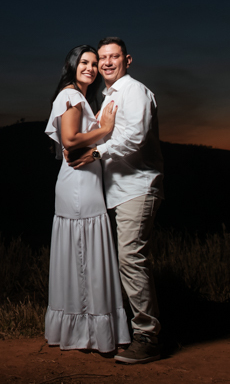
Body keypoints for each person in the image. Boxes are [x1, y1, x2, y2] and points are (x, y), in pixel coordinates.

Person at [66, 36, 163, 364]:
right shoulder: (108, 96)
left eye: (114, 57)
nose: (106, 63)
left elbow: (135, 138)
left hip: (138, 186)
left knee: (131, 258)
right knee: (122, 260)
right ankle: (124, 330)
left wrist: (95, 152)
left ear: (127, 60)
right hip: (116, 191)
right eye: (102, 58)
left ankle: (148, 338)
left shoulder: (134, 92)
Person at [43, 44, 129, 354]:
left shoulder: (79, 97)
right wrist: (105, 128)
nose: (91, 68)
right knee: (84, 254)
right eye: (84, 62)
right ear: (72, 65)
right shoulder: (71, 96)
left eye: (94, 63)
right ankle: (87, 331)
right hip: (79, 185)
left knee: (84, 254)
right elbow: (70, 140)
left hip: (85, 183)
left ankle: (85, 329)